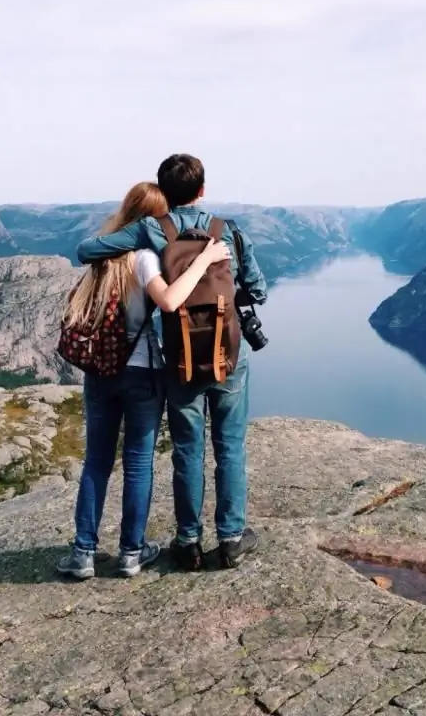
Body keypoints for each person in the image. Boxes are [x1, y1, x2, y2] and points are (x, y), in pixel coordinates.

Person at [76, 154, 268, 571]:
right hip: (229, 356)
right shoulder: (228, 231)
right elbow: (257, 289)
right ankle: (232, 538)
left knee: (187, 448)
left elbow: (88, 250)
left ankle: (188, 541)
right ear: (202, 190)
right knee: (230, 447)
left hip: (180, 357)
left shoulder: (151, 230)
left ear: (164, 192)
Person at [57, 181, 232, 580]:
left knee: (96, 463)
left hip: (100, 373)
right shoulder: (143, 258)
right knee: (137, 464)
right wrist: (203, 262)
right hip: (142, 373)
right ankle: (131, 553)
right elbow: (170, 301)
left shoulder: (102, 261)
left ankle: (84, 552)